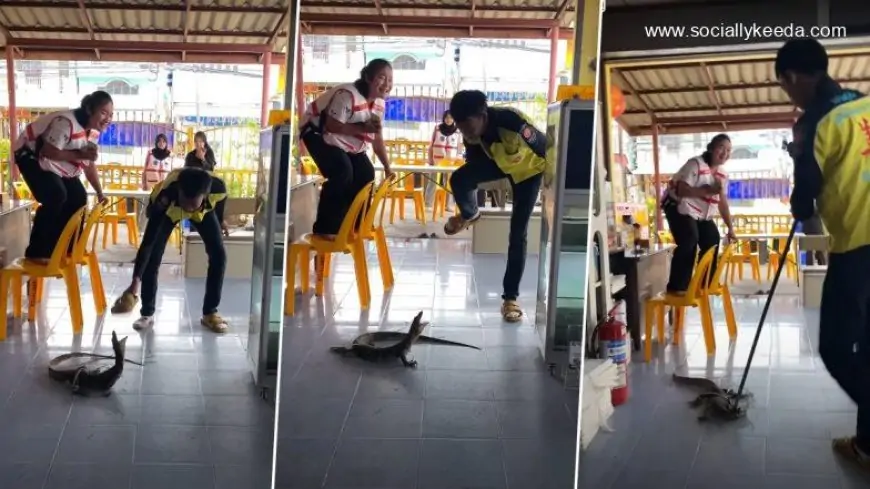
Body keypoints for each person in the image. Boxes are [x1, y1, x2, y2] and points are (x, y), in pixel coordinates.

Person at [776, 38, 870, 470]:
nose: (789, 96)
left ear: (793, 78)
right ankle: (866, 446)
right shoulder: (863, 105)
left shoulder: (815, 121)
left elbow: (804, 199)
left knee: (834, 347)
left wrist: (798, 165)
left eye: (785, 88)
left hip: (859, 246)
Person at [444, 90, 546, 322]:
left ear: (482, 114)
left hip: (529, 171)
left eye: (467, 124)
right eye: (460, 126)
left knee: (517, 234)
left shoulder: (513, 123)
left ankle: (510, 299)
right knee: (459, 179)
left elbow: (545, 148)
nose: (465, 131)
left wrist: (555, 183)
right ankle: (470, 215)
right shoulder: (470, 132)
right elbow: (473, 164)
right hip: (500, 164)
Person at [109, 167, 229, 333]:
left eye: (192, 206)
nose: (188, 209)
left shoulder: (218, 188)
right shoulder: (165, 197)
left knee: (219, 256)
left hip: (203, 212)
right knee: (153, 258)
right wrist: (135, 283)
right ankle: (147, 314)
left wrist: (221, 220)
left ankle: (210, 313)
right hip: (168, 211)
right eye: (185, 204)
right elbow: (148, 243)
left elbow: (221, 201)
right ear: (179, 192)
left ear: (206, 195)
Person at [300, 58, 395, 239]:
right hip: (316, 134)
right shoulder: (347, 95)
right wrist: (363, 128)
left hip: (344, 140)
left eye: (390, 80)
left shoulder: (379, 104)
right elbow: (332, 126)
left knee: (366, 173)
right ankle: (326, 228)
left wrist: (387, 167)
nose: (387, 84)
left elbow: (377, 138)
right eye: (382, 78)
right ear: (368, 77)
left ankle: (355, 224)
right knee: (342, 171)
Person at [12, 90, 111, 262]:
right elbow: (48, 151)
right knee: (56, 195)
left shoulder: (93, 132)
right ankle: (38, 251)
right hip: (29, 155)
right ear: (89, 109)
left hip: (53, 161)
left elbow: (89, 164)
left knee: (79, 197)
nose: (108, 119)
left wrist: (100, 192)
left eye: (111, 115)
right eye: (103, 112)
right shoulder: (65, 123)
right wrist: (80, 154)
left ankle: (67, 247)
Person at [661, 133, 736, 294]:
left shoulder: (722, 175)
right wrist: (709, 191)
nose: (725, 153)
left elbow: (722, 203)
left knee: (712, 239)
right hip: (677, 205)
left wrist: (731, 228)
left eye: (729, 150)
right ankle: (677, 286)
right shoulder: (695, 164)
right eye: (721, 148)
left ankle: (704, 283)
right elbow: (682, 190)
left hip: (700, 213)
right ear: (711, 148)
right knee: (689, 239)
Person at [786, 120, 827, 266]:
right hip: (806, 199)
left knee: (819, 242)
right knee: (812, 240)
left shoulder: (811, 149)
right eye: (797, 134)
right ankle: (811, 269)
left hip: (817, 199)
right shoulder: (799, 150)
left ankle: (821, 265)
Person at [426, 110, 462, 207]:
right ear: (443, 118)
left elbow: (459, 147)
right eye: (446, 117)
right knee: (432, 181)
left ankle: (448, 205)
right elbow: (431, 144)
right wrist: (430, 159)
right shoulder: (437, 128)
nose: (448, 120)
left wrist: (458, 158)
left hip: (450, 162)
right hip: (436, 160)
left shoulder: (458, 131)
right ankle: (428, 203)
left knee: (450, 183)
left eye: (451, 117)